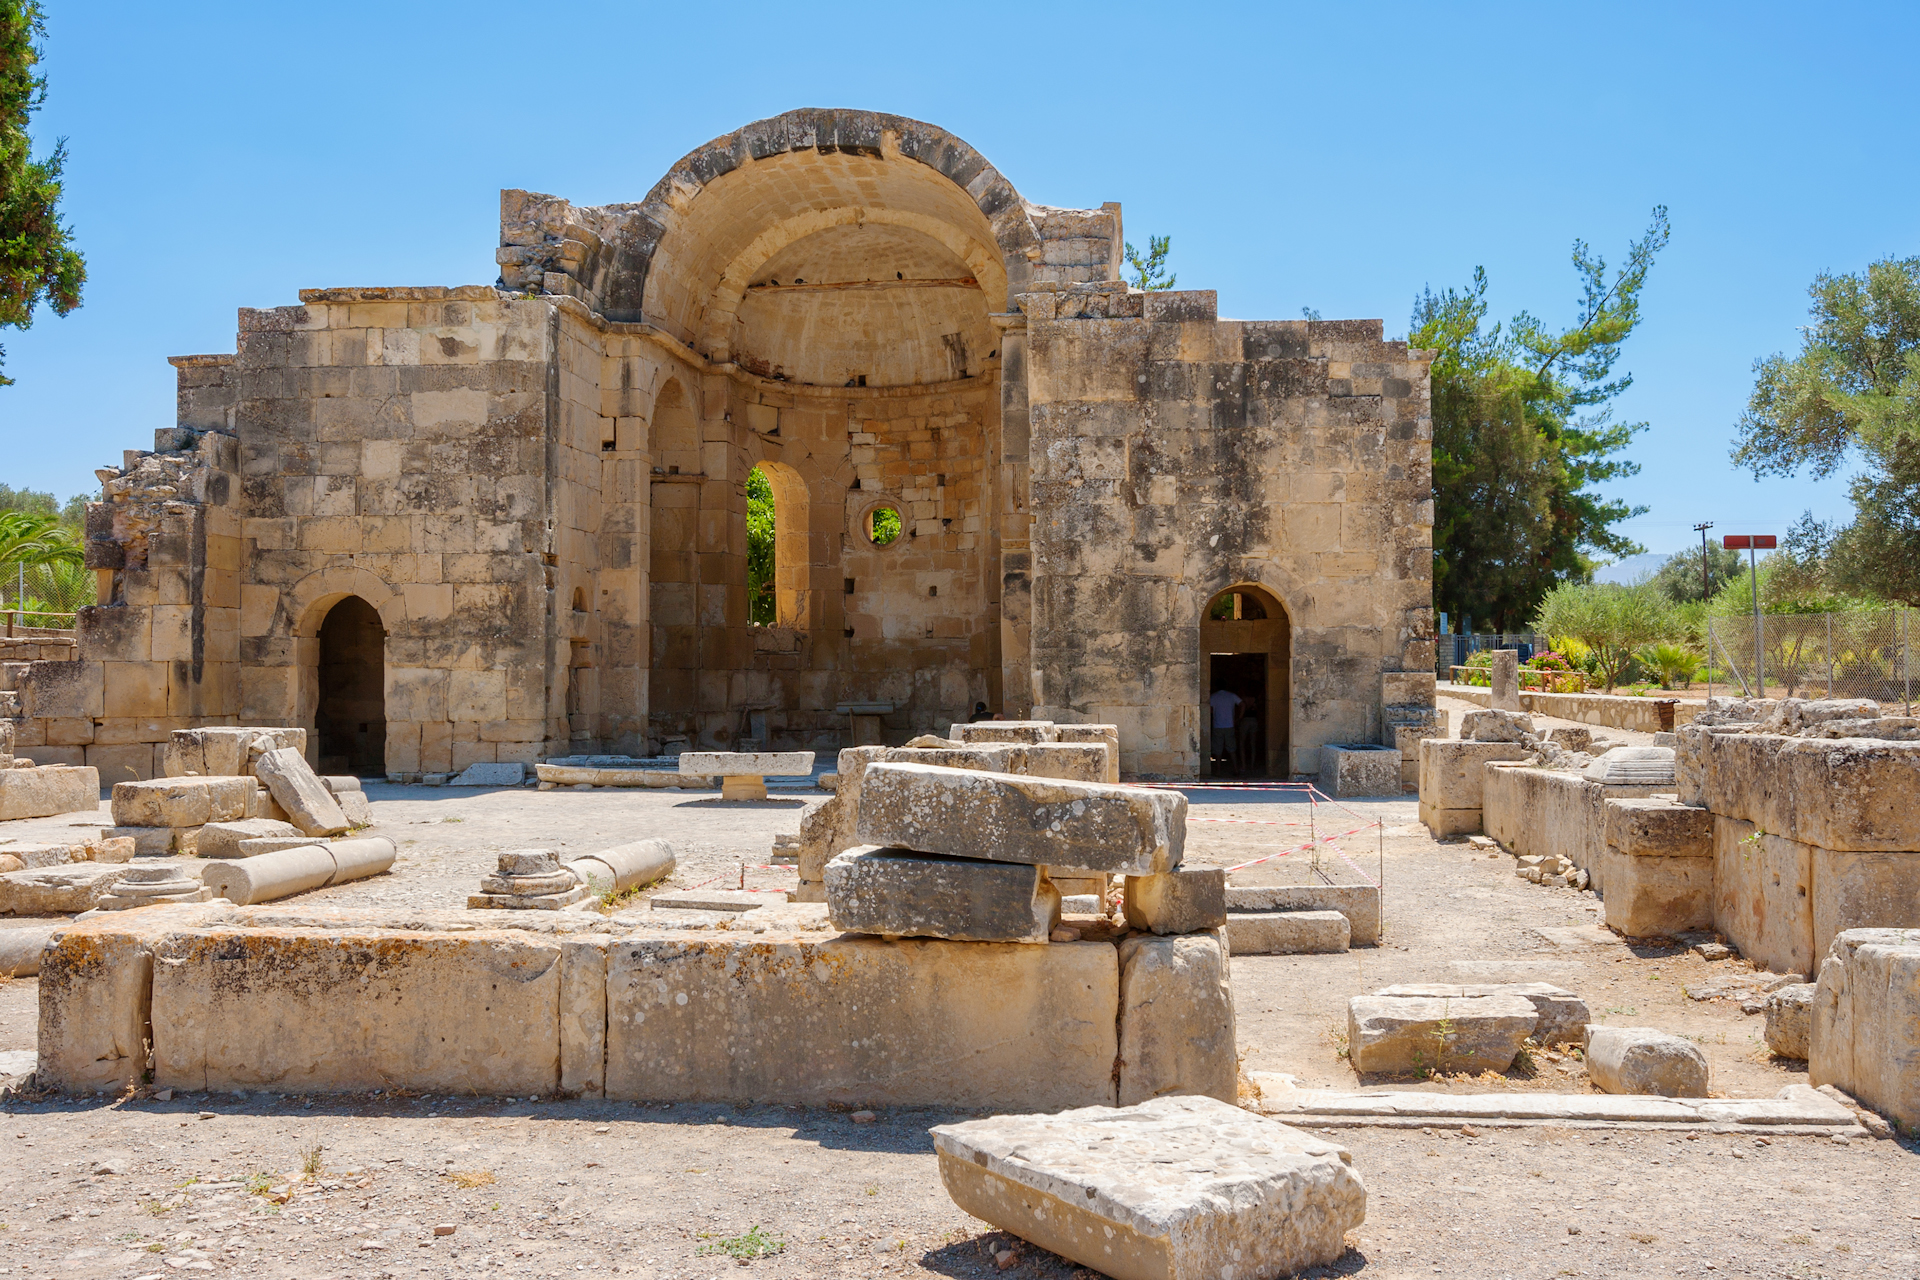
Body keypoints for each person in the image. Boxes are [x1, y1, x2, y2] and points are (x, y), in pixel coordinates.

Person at [1208, 686, 1242, 776]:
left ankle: (1218, 771)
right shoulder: (1231, 696)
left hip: (1217, 726)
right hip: (1229, 725)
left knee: (1218, 750)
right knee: (1232, 749)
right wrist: (1238, 718)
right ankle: (1236, 769)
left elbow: (1209, 709)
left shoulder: (1213, 696)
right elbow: (1242, 704)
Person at [1236, 691, 1262, 776]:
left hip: (1245, 721)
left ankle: (1243, 766)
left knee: (1242, 743)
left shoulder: (1242, 698)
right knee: (1253, 744)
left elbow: (1240, 709)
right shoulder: (1255, 699)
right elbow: (1258, 711)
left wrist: (1238, 720)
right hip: (1253, 720)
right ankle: (1252, 766)